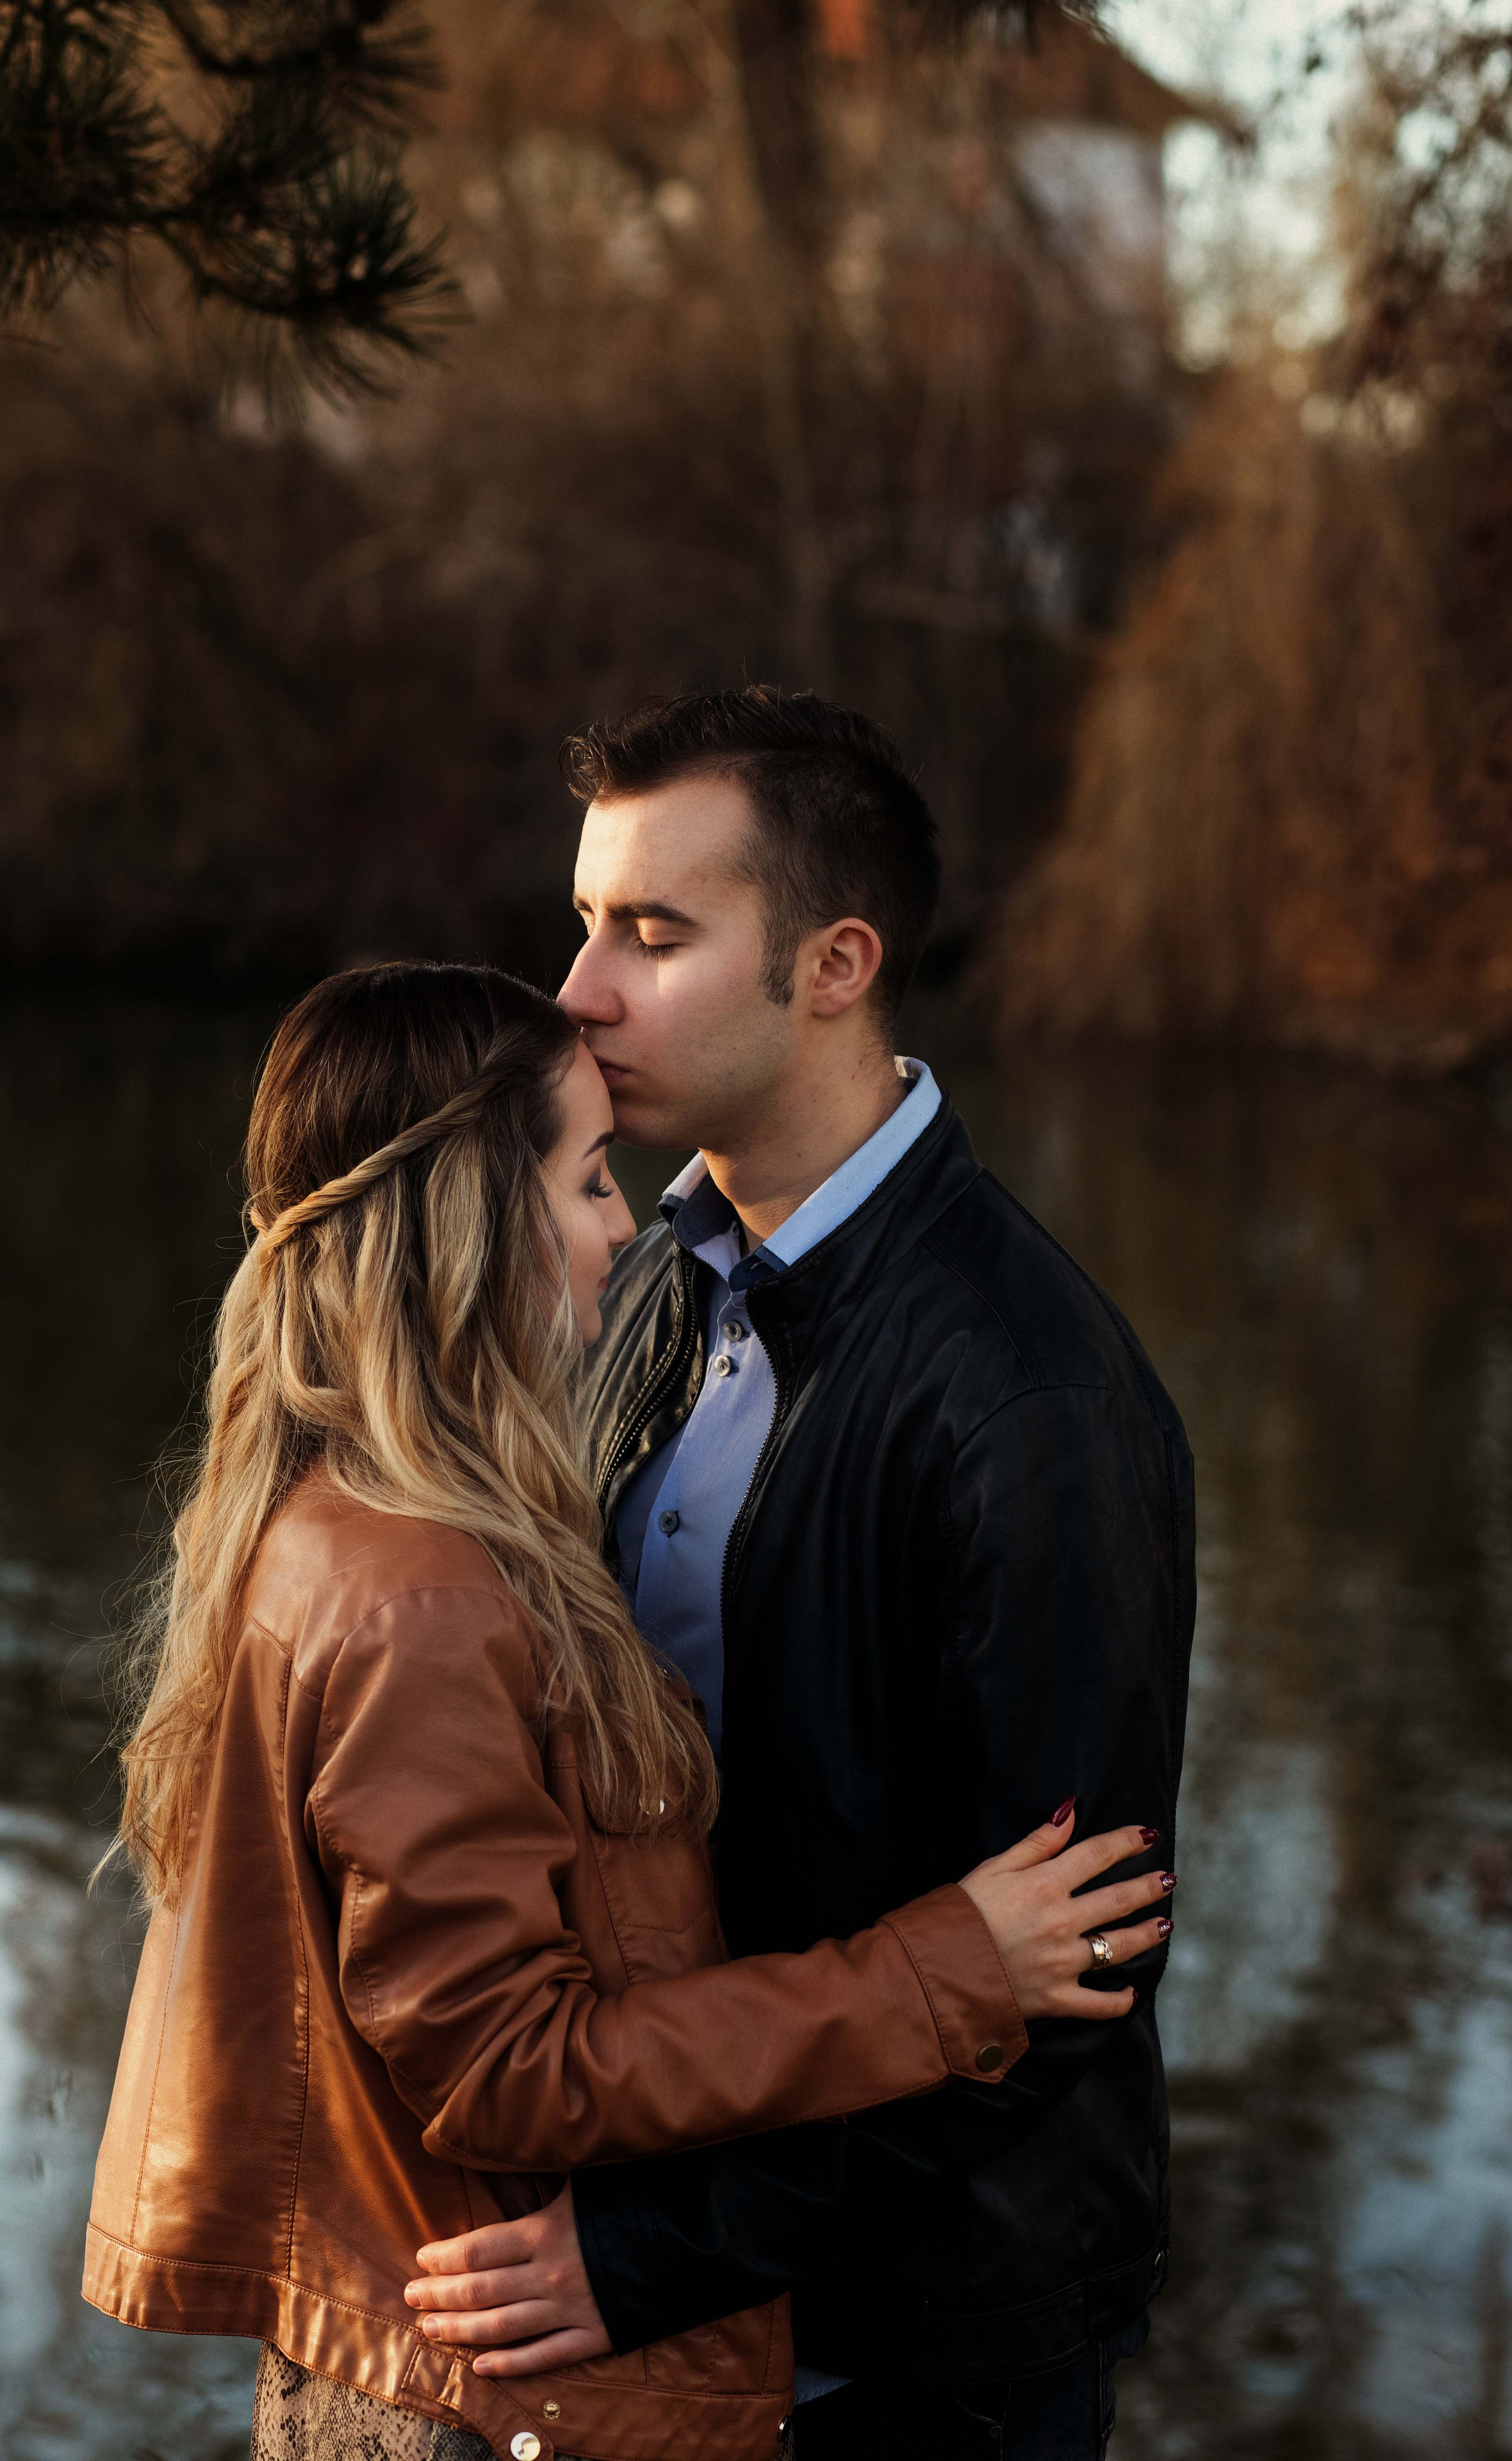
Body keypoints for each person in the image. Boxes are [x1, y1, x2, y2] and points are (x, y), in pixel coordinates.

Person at [83, 961, 1171, 2461]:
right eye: (589, 1180)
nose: (623, 1221)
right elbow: (499, 2065)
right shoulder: (416, 1590)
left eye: (649, 930)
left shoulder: (366, 1517)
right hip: (483, 2391)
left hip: (460, 2358)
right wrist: (945, 1970)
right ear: (467, 1222)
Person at [405, 690, 1196, 2460]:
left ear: (837, 964)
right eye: (588, 920)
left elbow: (1069, 1977)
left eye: (654, 934)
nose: (579, 991)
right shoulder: (641, 1272)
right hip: (644, 2302)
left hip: (910, 2368)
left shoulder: (1032, 1397)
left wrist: (658, 2253)